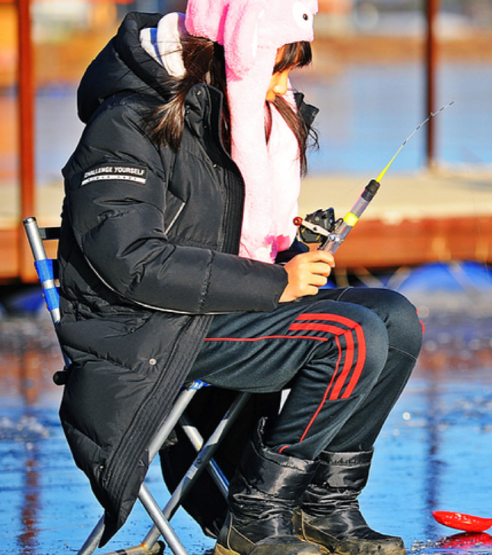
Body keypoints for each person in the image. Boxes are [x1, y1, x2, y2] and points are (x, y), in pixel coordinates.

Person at [55, 2, 423, 555]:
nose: (284, 87)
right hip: (147, 327)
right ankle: (257, 512)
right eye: (276, 68)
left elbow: (229, 234)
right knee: (350, 335)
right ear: (235, 58)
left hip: (222, 305)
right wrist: (273, 284)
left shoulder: (239, 114)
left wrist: (293, 257)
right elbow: (131, 259)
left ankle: (324, 505)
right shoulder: (128, 121)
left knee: (396, 319)